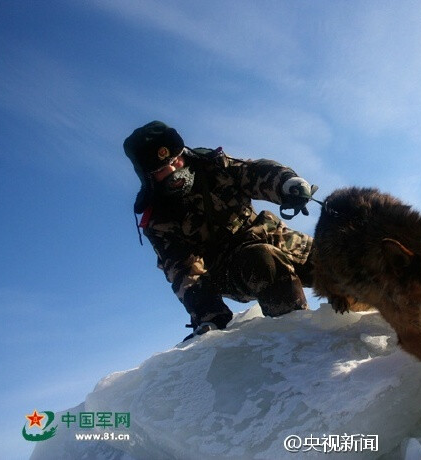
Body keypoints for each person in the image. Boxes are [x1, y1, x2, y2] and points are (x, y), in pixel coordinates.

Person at [123, 121, 316, 340]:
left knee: (339, 258)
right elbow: (183, 270)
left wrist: (286, 183)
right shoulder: (158, 220)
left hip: (278, 238)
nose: (173, 170)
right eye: (161, 169)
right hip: (233, 269)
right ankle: (300, 344)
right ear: (148, 177)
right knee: (263, 260)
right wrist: (210, 315)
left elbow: (253, 172)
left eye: (175, 160)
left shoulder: (214, 165)